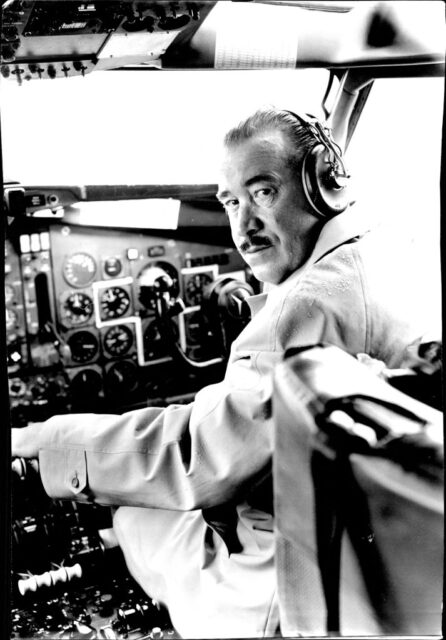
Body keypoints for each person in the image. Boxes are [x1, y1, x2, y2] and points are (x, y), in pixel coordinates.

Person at [11, 108, 434, 638]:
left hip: (293, 583)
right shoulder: (396, 243)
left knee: (131, 513)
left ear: (325, 182)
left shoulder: (302, 310)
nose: (242, 229)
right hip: (384, 544)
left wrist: (43, 442)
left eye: (262, 193)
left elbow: (197, 458)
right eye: (230, 202)